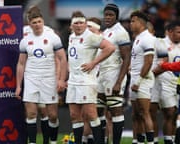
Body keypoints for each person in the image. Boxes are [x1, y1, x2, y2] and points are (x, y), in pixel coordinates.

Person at [15, 6, 68, 144]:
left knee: (52, 115)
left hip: (49, 79)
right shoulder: (25, 40)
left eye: (39, 21)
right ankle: (32, 142)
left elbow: (62, 58)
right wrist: (18, 86)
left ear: (43, 21)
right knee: (31, 114)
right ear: (30, 24)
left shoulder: (52, 37)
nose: (37, 25)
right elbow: (21, 64)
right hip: (31, 78)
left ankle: (53, 141)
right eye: (34, 23)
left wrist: (61, 79)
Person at [66, 10, 115, 144]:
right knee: (74, 115)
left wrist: (94, 62)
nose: (79, 25)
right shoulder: (71, 37)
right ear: (72, 25)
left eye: (82, 23)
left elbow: (110, 47)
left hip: (86, 81)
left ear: (85, 24)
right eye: (76, 23)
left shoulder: (90, 36)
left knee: (91, 114)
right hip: (73, 81)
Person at [97, 3, 132, 144]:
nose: (107, 17)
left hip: (114, 74)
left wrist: (119, 82)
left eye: (111, 15)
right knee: (98, 109)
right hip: (102, 75)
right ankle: (104, 140)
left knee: (115, 109)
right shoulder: (105, 32)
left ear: (116, 17)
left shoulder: (121, 32)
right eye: (106, 14)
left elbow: (126, 58)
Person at [129, 10, 155, 144]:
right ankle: (139, 141)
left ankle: (150, 142)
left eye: (133, 21)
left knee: (145, 113)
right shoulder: (138, 38)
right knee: (136, 114)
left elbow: (149, 62)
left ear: (140, 22)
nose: (130, 24)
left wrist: (138, 81)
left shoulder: (147, 38)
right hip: (134, 79)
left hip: (142, 81)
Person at [150, 22, 178, 144]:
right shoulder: (159, 42)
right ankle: (155, 141)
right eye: (178, 32)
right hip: (155, 82)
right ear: (170, 31)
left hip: (172, 83)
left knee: (170, 114)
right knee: (152, 114)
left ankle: (168, 140)